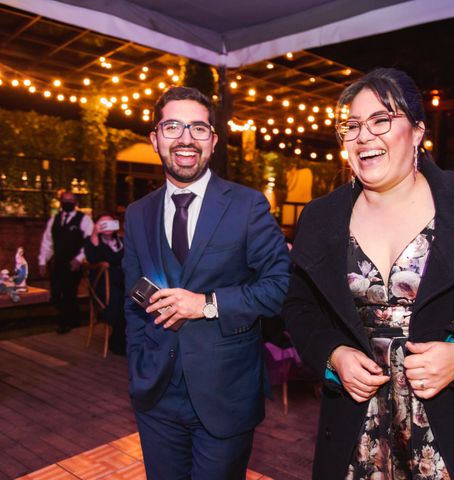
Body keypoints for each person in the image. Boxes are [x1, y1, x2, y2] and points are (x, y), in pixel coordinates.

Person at [282, 67, 454, 480]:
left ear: (418, 131)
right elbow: (300, 308)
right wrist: (333, 355)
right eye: (351, 126)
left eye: (381, 120)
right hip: (360, 432)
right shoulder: (321, 217)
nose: (363, 136)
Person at [122, 86, 290, 479]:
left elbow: (280, 286)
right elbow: (133, 299)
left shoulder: (247, 205)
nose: (185, 138)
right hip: (156, 397)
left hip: (224, 394)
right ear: (155, 139)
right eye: (173, 126)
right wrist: (137, 366)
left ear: (213, 141)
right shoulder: (137, 214)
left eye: (198, 128)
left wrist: (206, 304)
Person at [38, 190, 93, 334]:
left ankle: (68, 323)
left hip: (74, 263)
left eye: (70, 200)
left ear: (75, 203)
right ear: (61, 202)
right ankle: (72, 320)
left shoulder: (84, 219)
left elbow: (89, 242)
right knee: (56, 293)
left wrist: (79, 259)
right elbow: (47, 242)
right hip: (59, 262)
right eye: (65, 200)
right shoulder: (54, 220)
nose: (67, 203)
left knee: (69, 293)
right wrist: (42, 261)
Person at [84, 213, 125, 355]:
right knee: (119, 297)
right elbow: (93, 259)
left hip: (124, 283)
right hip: (103, 286)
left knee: (139, 295)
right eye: (102, 224)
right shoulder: (92, 242)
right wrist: (94, 236)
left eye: (110, 223)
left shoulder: (122, 241)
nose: (106, 227)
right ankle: (119, 342)